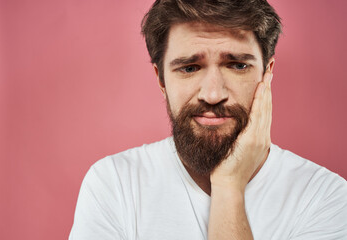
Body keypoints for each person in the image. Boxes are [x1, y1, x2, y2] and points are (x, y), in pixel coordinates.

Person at [69, 0, 347, 239]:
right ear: (161, 80)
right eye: (189, 68)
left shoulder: (325, 198)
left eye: (238, 65)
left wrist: (228, 186)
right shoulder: (114, 184)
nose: (213, 94)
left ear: (267, 73)